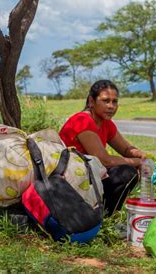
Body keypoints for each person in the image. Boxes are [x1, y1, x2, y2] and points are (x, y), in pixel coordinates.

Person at [59, 80, 145, 216]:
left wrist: (139, 155)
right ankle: (103, 217)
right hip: (69, 184)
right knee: (126, 172)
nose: (111, 106)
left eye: (114, 101)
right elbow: (104, 160)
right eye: (106, 101)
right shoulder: (82, 121)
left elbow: (126, 149)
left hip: (88, 179)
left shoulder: (106, 123)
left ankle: (102, 215)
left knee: (127, 170)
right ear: (92, 101)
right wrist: (137, 162)